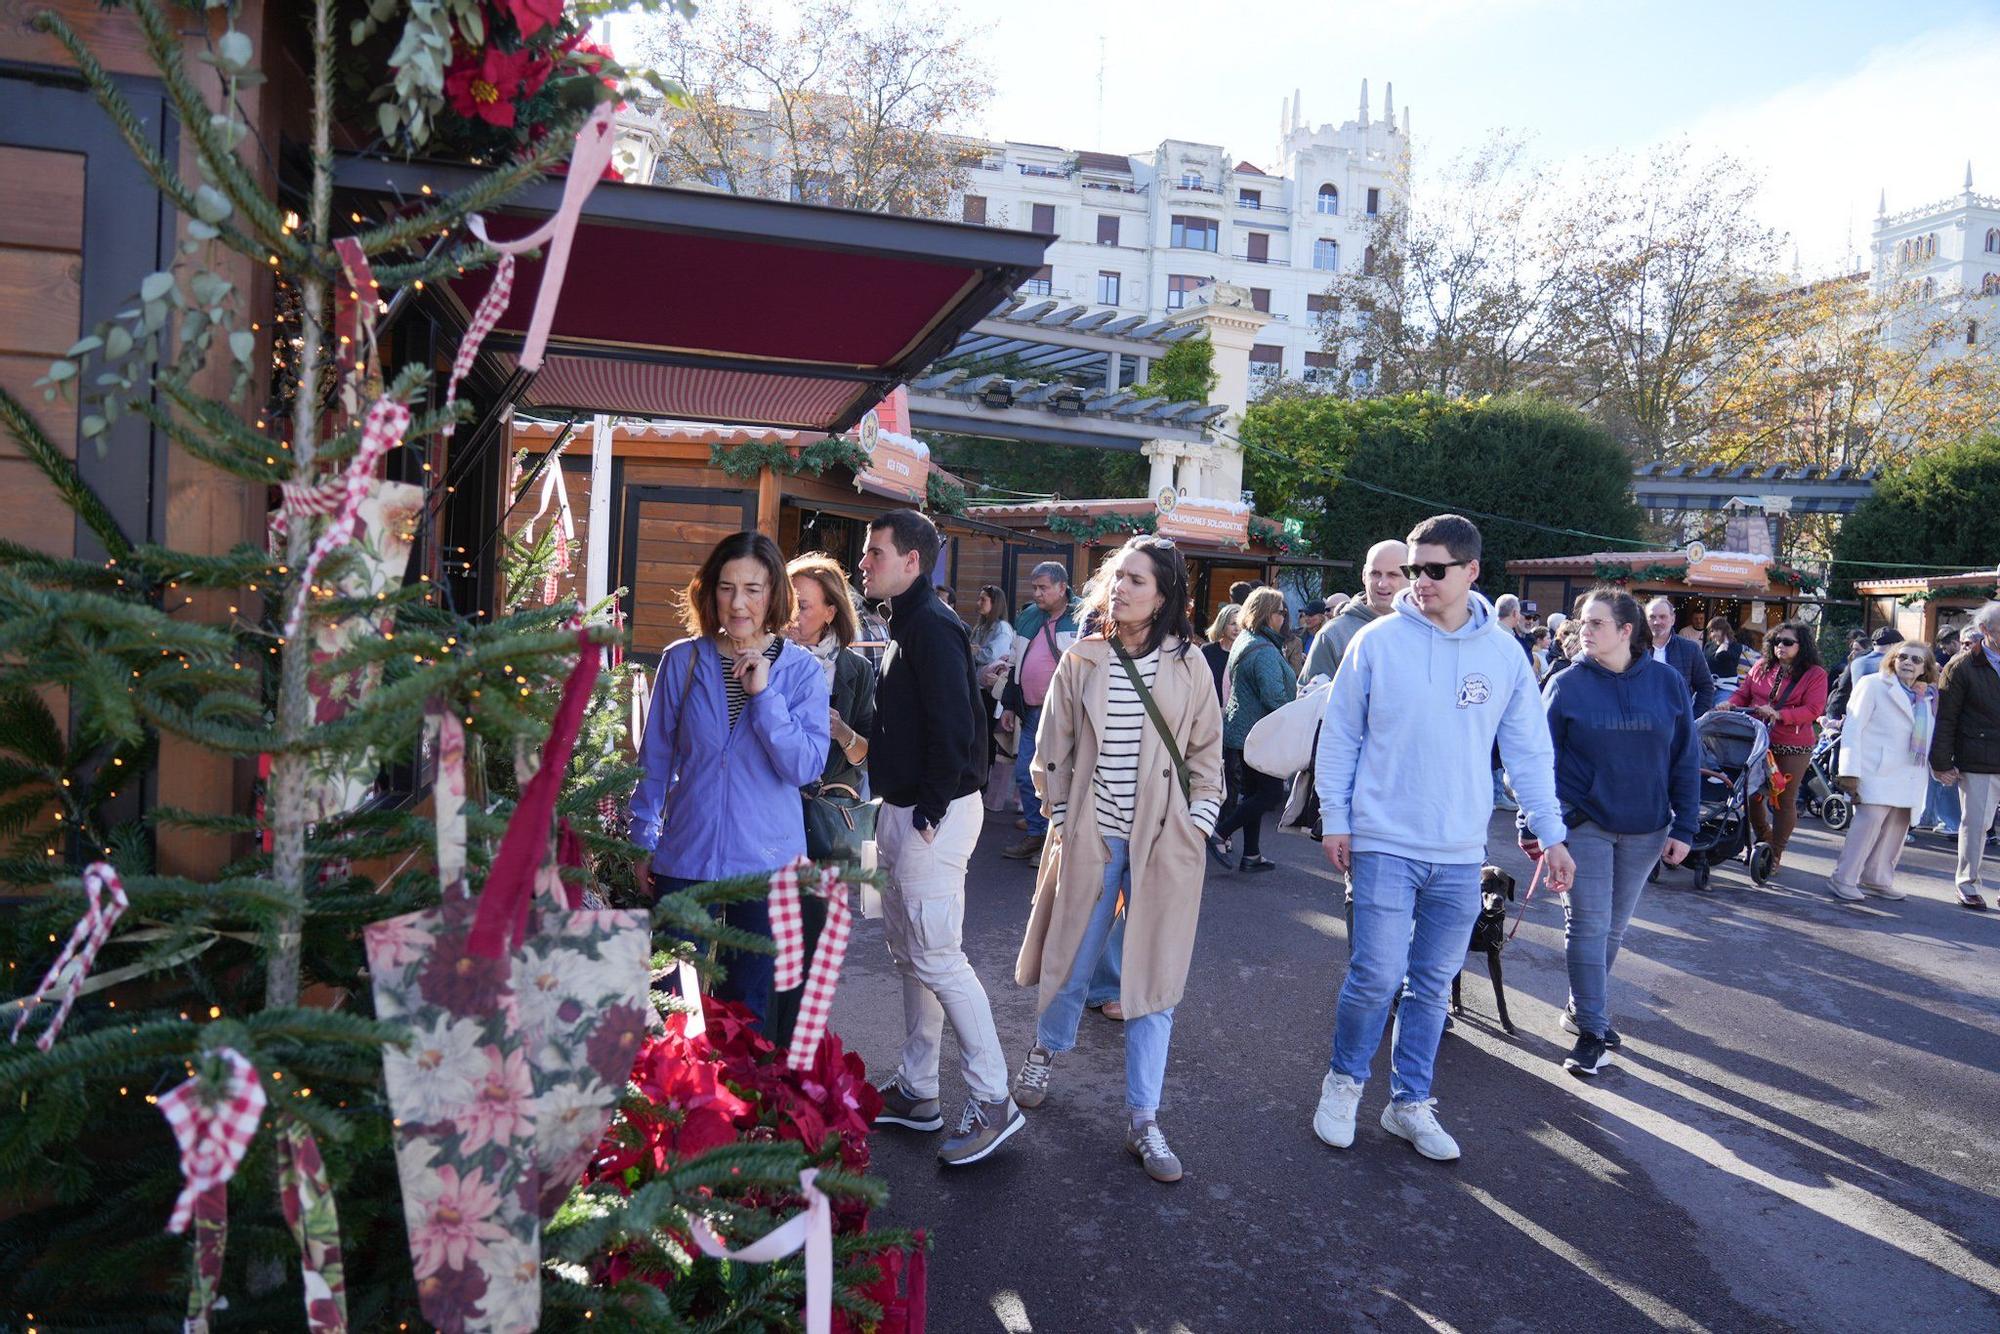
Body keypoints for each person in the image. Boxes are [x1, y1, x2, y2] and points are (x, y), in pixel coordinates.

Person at [1313, 515, 1572, 1162]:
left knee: (1430, 986)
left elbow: (1528, 754)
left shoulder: (1503, 655)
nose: (1419, 581)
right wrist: (1335, 816)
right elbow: (1341, 733)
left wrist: (1551, 833)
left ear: (1471, 572)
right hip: (1382, 841)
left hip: (1459, 854)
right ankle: (1343, 1084)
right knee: (1376, 976)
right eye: (1413, 568)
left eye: (1434, 569)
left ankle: (1409, 1103)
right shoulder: (1377, 641)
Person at [1010, 536, 1225, 1183]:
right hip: (1091, 838)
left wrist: (1197, 826)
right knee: (1072, 959)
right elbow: (1051, 753)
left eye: (1137, 580)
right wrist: (1058, 822)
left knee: (1153, 987)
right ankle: (1045, 1051)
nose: (1122, 589)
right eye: (1117, 577)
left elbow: (1207, 761)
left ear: (1164, 596)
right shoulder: (1085, 658)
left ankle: (1143, 1120)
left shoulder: (1191, 668)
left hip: (1165, 846)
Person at [859, 509, 1021, 1165]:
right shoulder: (909, 620)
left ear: (912, 562)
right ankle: (918, 1091)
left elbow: (958, 729)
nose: (865, 562)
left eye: (875, 552)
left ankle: (994, 1101)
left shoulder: (931, 626)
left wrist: (925, 811)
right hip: (906, 811)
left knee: (937, 957)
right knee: (910, 955)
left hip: (935, 814)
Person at [631, 532, 830, 1026]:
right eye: (725, 588)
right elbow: (653, 759)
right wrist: (641, 837)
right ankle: (674, 1104)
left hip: (766, 864)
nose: (737, 603)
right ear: (709, 591)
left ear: (774, 595)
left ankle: (740, 1105)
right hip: (686, 854)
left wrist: (764, 697)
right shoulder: (684, 660)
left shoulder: (802, 671)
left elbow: (805, 766)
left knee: (750, 1011)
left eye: (753, 589)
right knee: (671, 1003)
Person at [1534, 588, 1697, 1077]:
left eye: (1597, 623)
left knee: (1612, 928)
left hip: (1648, 828)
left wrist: (1685, 825)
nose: (1585, 631)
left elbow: (1685, 758)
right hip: (1584, 824)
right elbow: (1536, 762)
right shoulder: (1565, 684)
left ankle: (1579, 1007)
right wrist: (1538, 828)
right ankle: (1592, 1031)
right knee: (1586, 924)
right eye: (1583, 623)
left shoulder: (1667, 682)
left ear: (1627, 631)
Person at [1828, 641, 1937, 902]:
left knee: (1896, 829)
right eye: (1902, 657)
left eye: (1915, 659)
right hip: (1874, 769)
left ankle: (1877, 878)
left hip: (1909, 773)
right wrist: (1849, 771)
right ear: (1892, 659)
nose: (1908, 662)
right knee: (1868, 825)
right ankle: (1843, 878)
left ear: (1925, 667)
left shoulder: (1927, 697)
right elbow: (1853, 728)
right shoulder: (1873, 684)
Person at [1720, 618, 1829, 877]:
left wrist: (1780, 715)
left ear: (1801, 646)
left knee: (1782, 800)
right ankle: (1764, 840)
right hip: (1758, 740)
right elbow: (1743, 694)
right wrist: (1729, 703)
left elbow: (1813, 710)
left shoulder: (1815, 674)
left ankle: (1775, 853)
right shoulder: (1760, 666)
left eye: (1788, 642)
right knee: (1751, 795)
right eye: (1777, 641)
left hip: (1792, 745)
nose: (1781, 646)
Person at [1208, 586, 1296, 873]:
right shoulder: (1265, 650)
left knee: (1255, 793)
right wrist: (1298, 704)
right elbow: (1274, 697)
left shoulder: (1246, 640)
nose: (1284, 618)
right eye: (1281, 613)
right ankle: (1221, 832)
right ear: (1268, 615)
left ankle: (1252, 854)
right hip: (1259, 732)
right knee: (1269, 794)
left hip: (1242, 730)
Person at [1001, 562, 1080, 864]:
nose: (1037, 593)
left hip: (1066, 716)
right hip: (1032, 712)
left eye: (1043, 587)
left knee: (1059, 780)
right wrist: (1009, 704)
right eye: (1034, 587)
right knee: (1025, 775)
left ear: (1062, 587)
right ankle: (1036, 836)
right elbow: (1013, 664)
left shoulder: (1084, 617)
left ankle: (1054, 843)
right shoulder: (1029, 617)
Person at [1931, 601, 2000, 910]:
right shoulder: (1961, 666)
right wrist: (1941, 763)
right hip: (1979, 756)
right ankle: (1967, 884)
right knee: (1976, 824)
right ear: (1985, 630)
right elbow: (1946, 718)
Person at [1301, 540, 1409, 686]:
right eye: (1375, 574)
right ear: (1364, 575)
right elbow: (1309, 702)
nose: (1382, 583)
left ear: (1412, 577)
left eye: (1393, 575)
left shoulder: (1427, 631)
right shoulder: (1334, 635)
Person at [1644, 596, 1718, 716]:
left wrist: (1693, 719)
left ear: (1672, 620)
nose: (1657, 622)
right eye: (1652, 617)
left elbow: (1706, 687)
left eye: (1663, 617)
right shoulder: (1633, 649)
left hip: (1676, 724)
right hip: (1642, 723)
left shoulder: (1690, 649)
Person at [1827, 626, 1903, 720]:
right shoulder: (1894, 665)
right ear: (1893, 645)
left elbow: (1843, 690)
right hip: (1882, 717)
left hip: (1856, 713)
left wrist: (1832, 718)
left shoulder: (1857, 661)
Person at [1201, 603, 1241, 707]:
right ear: (1222, 625)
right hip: (1208, 709)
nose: (1237, 628)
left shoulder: (1244, 654)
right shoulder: (1207, 651)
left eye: (1240, 624)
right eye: (1233, 624)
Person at [970, 584, 1016, 675]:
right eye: (979, 599)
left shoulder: (1002, 628)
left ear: (995, 603)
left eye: (983, 600)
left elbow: (992, 656)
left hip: (989, 686)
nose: (978, 603)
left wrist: (975, 651)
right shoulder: (980, 627)